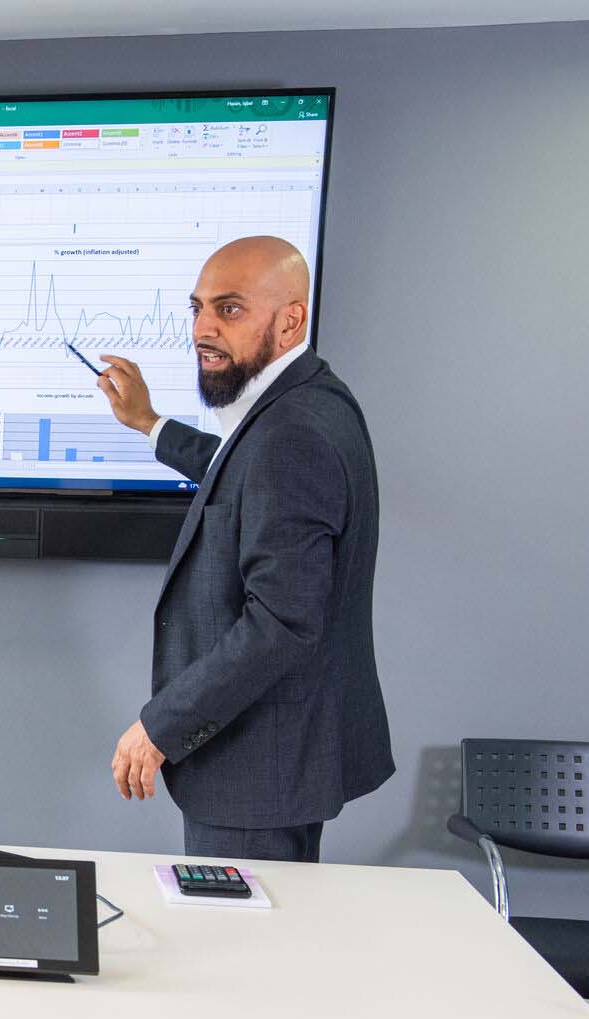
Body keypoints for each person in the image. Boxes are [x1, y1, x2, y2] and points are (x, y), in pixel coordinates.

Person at [96, 235, 392, 863]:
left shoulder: (293, 432)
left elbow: (282, 620)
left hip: (257, 768)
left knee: (240, 954)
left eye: (229, 309)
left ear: (291, 319)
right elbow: (244, 475)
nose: (203, 329)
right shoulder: (311, 398)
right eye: (197, 307)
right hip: (280, 761)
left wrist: (161, 726)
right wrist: (150, 424)